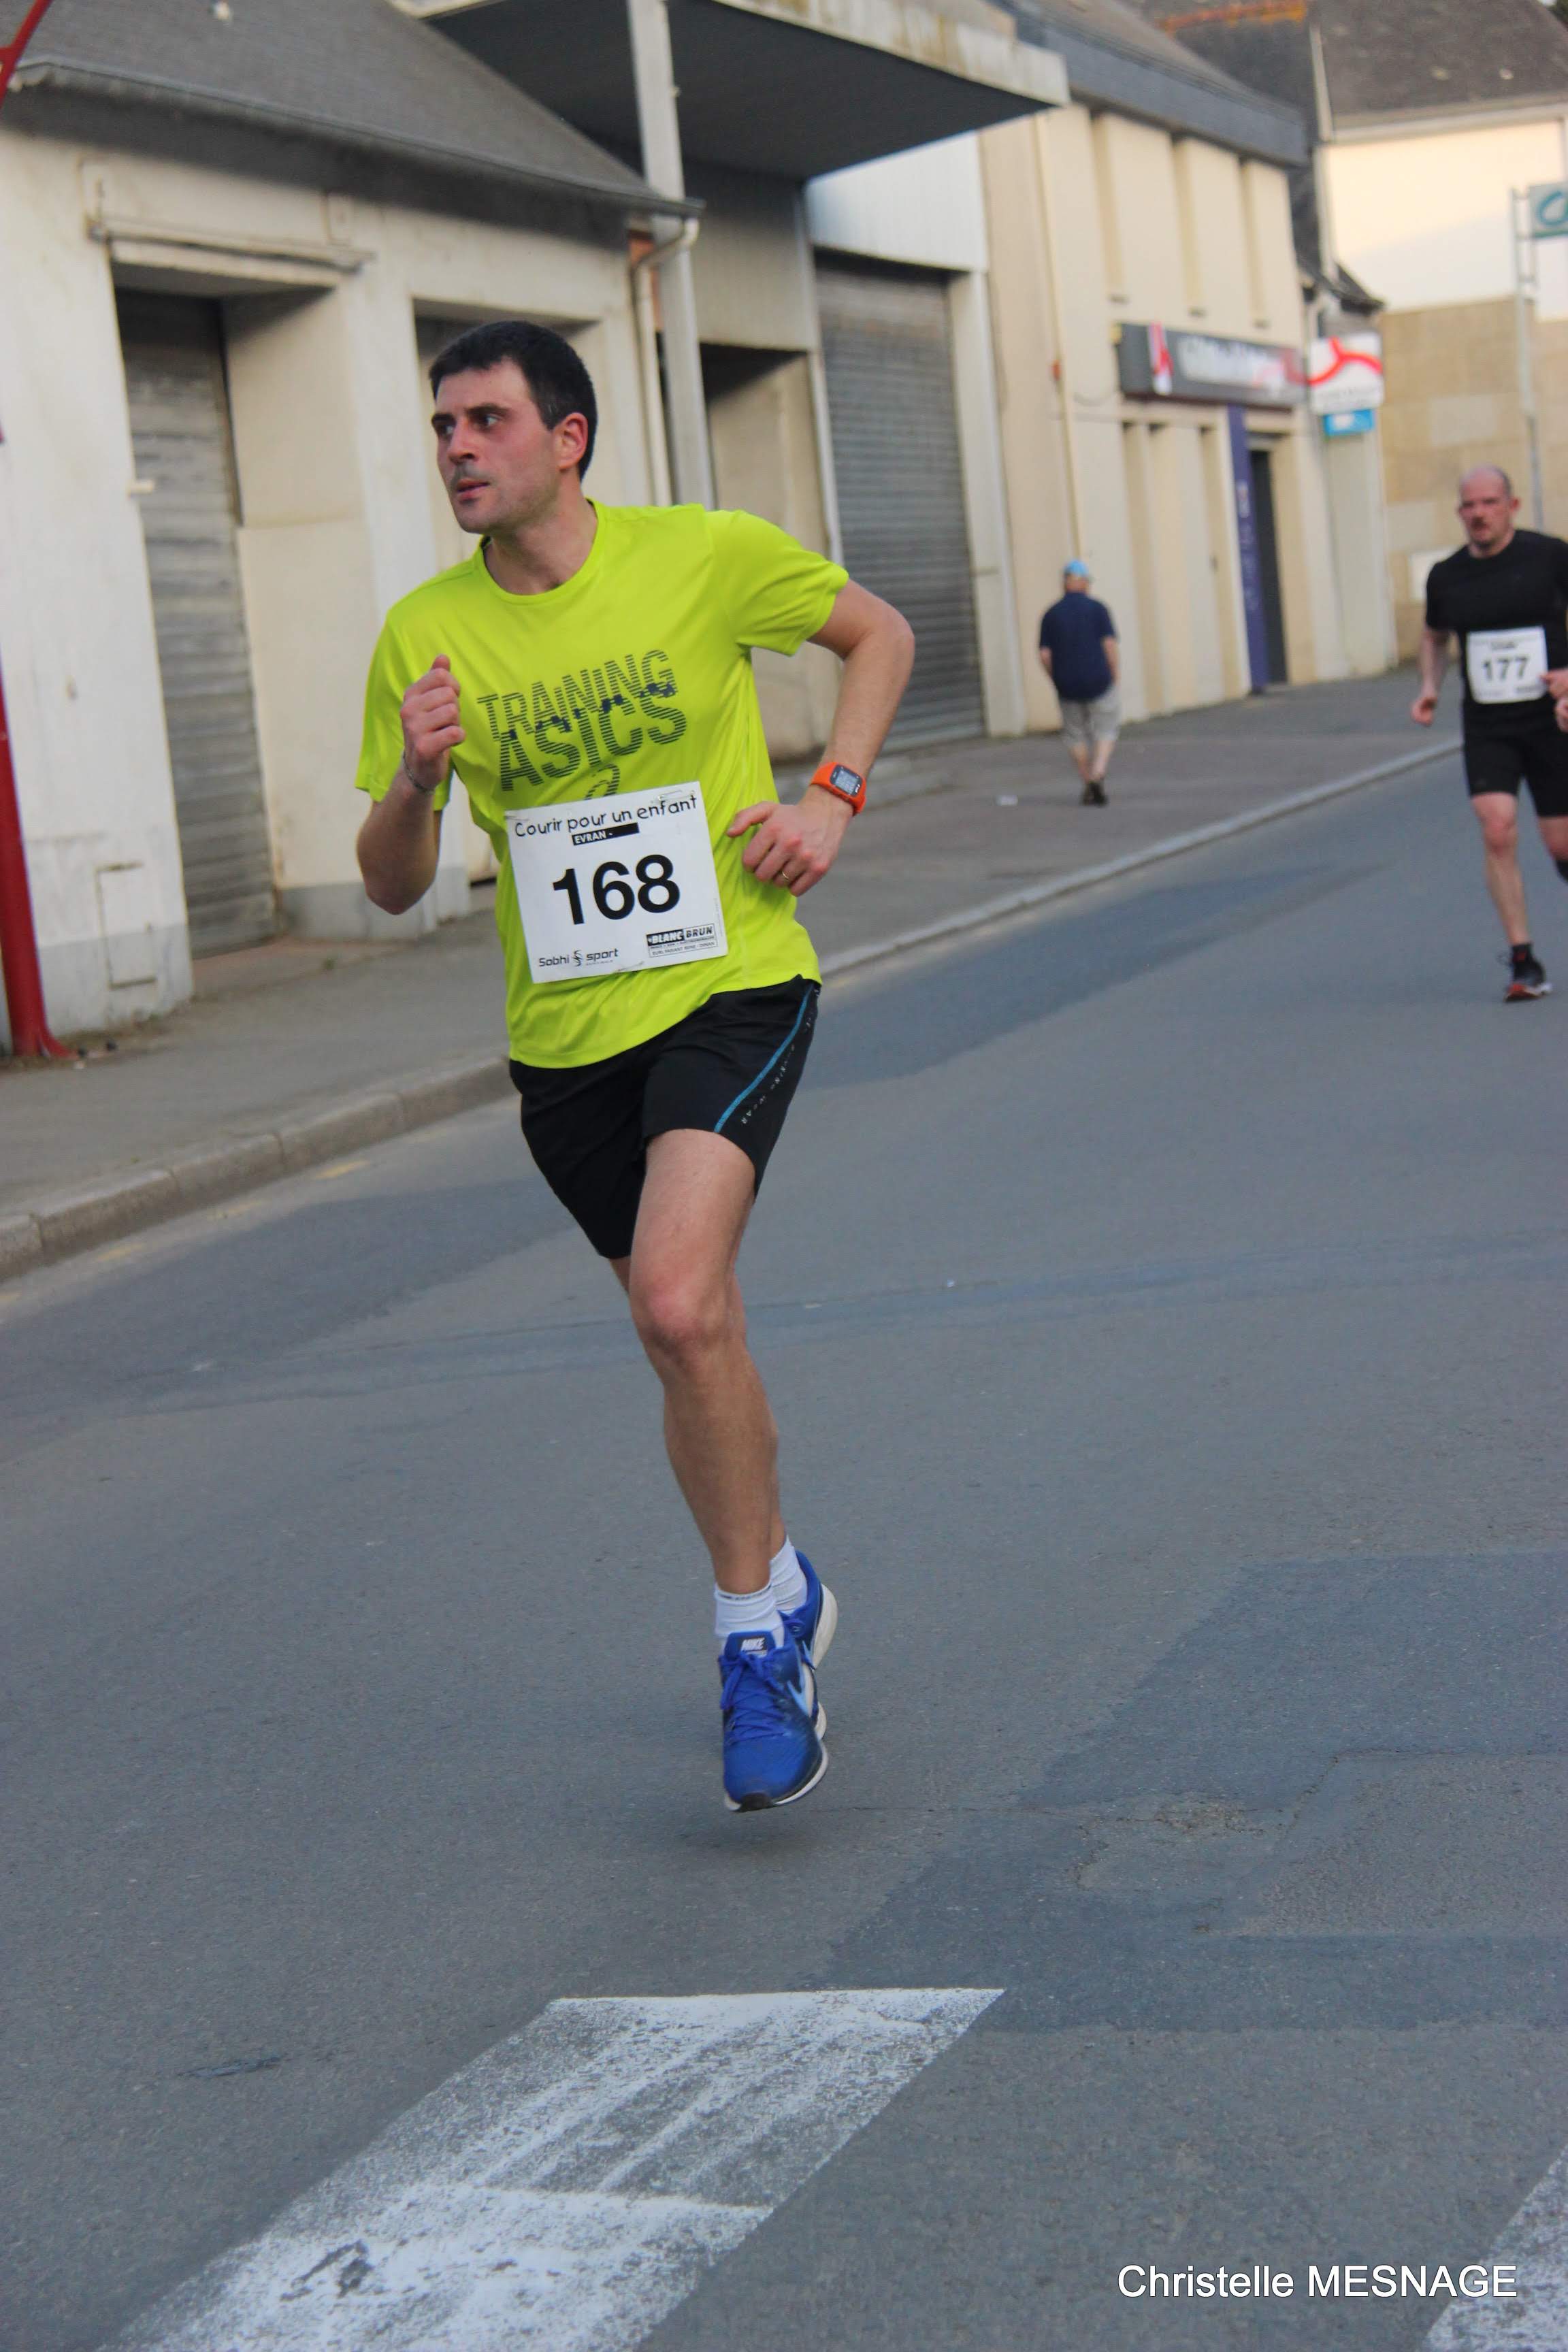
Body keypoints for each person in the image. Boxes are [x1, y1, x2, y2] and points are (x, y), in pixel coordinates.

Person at [355, 320, 913, 1812]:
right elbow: (391, 885)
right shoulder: (423, 633)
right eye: (442, 426)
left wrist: (832, 795)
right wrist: (414, 776)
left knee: (674, 1297)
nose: (456, 448)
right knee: (690, 1330)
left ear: (568, 437)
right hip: (565, 1044)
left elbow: (879, 635)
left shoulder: (701, 554)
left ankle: (753, 1647)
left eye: (484, 420)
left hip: (731, 982)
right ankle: (781, 1579)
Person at [1415, 464, 1568, 1000]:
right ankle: (1523, 961)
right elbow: (1434, 636)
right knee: (1497, 828)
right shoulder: (1447, 576)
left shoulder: (1549, 557)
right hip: (1489, 722)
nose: (1479, 514)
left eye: (1489, 503)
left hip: (1552, 719)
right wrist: (1429, 686)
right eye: (1470, 505)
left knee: (1561, 842)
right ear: (1460, 513)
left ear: (1512, 506)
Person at [1039, 559, 1120, 804]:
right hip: (1099, 680)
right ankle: (1098, 773)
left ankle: (1087, 780)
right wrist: (1114, 673)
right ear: (1084, 583)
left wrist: (1055, 678)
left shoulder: (1051, 614)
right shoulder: (1098, 609)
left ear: (1065, 583)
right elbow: (1109, 645)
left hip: (1067, 684)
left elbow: (1045, 654)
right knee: (1106, 729)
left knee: (1075, 734)